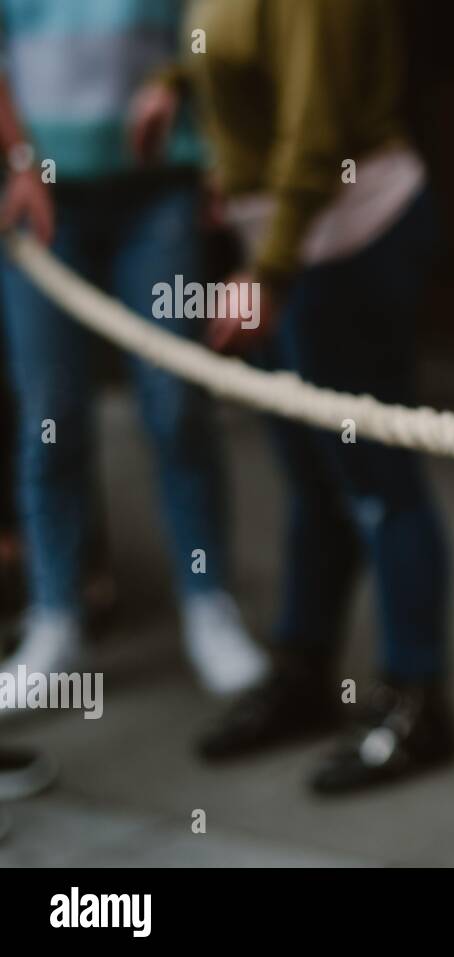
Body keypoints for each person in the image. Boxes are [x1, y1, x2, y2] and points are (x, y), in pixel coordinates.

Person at [180, 0, 454, 795]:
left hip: (343, 240)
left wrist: (269, 271)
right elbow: (223, 41)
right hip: (286, 239)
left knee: (376, 481)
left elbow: (319, 129)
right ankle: (305, 673)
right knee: (312, 478)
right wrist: (175, 83)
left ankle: (419, 701)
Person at [0, 0, 267, 697]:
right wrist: (21, 162)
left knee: (176, 403)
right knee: (50, 415)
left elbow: (207, 37)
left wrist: (216, 156)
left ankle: (208, 602)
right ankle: (55, 615)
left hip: (157, 196)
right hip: (43, 199)